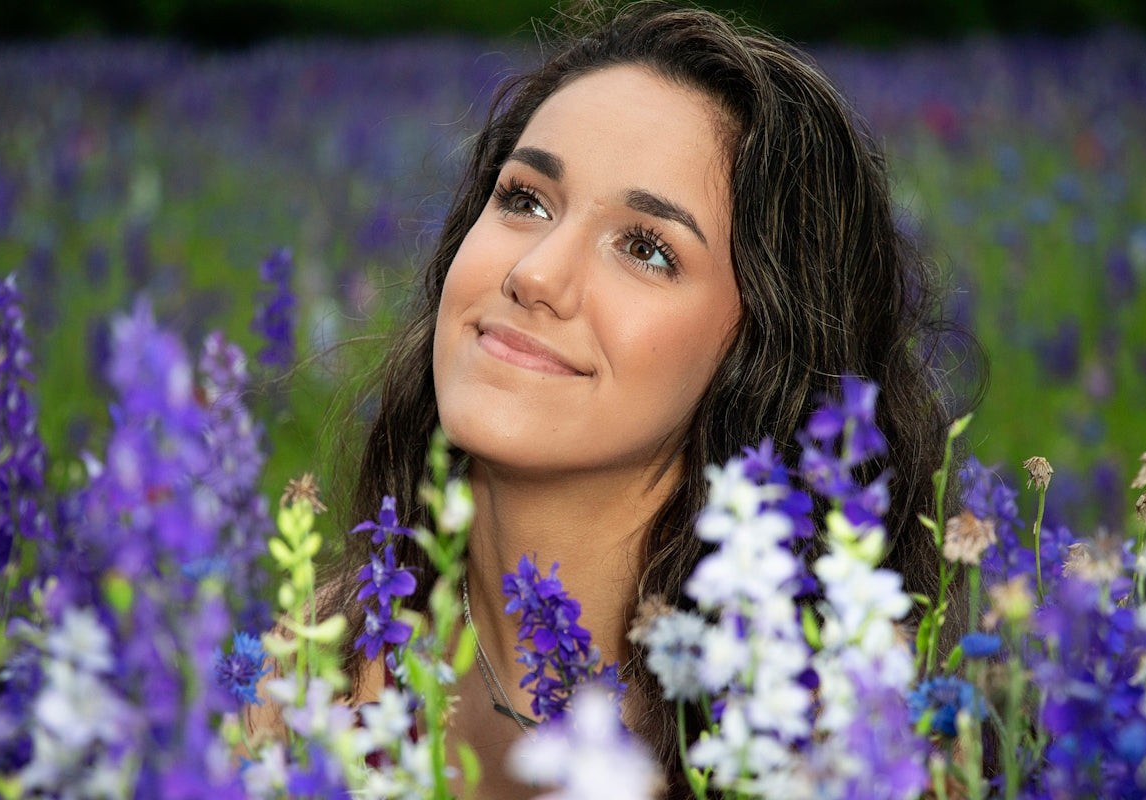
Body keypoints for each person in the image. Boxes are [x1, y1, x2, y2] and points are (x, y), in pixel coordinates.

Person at [253, 1, 980, 797]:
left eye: (646, 248)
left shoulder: (851, 730)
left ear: (760, 348)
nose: (535, 274)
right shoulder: (306, 678)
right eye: (526, 199)